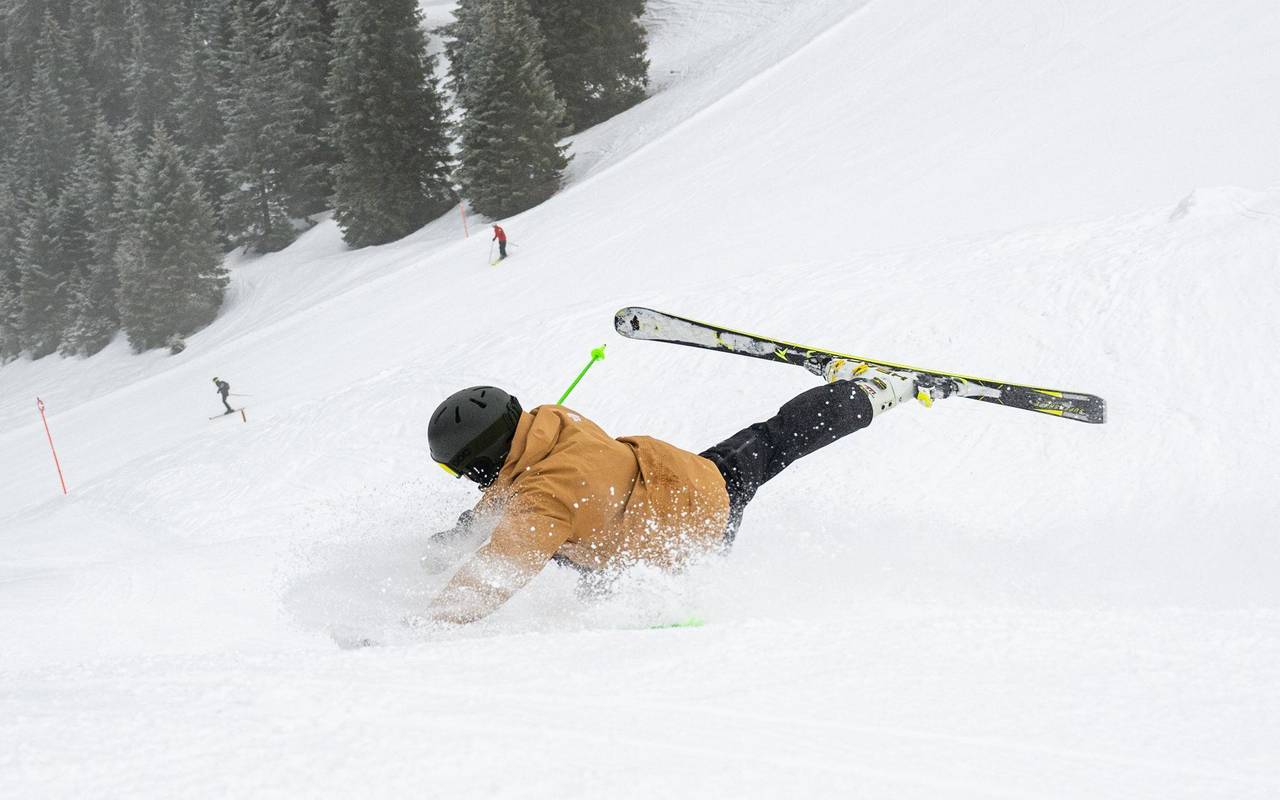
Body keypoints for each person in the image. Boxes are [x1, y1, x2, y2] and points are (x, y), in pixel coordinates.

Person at [423, 361, 959, 624]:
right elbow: (516, 485)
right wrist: (465, 530)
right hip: (685, 479)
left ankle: (889, 389)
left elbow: (491, 578)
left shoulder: (544, 503)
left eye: (463, 472)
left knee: (591, 570)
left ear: (483, 462)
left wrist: (418, 629)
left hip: (689, 530)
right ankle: (855, 390)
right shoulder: (548, 420)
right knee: (775, 437)